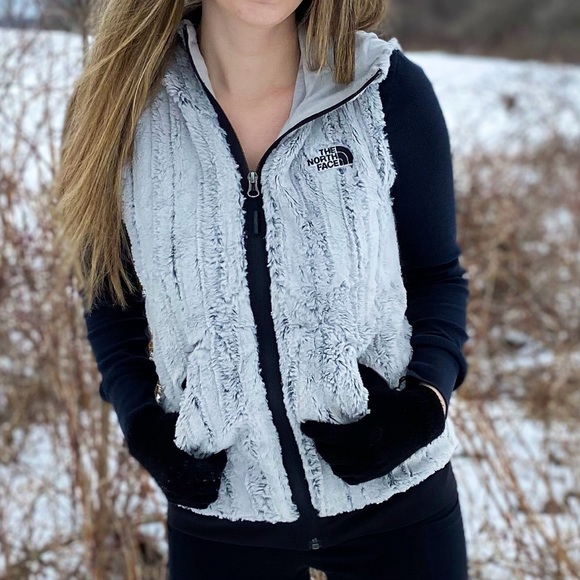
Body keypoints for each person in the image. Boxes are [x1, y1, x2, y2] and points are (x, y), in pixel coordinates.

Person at [54, 0, 471, 578]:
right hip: (222, 517)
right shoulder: (118, 107)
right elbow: (108, 294)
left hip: (401, 508)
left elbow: (435, 275)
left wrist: (425, 405)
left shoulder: (381, 88)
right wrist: (140, 421)